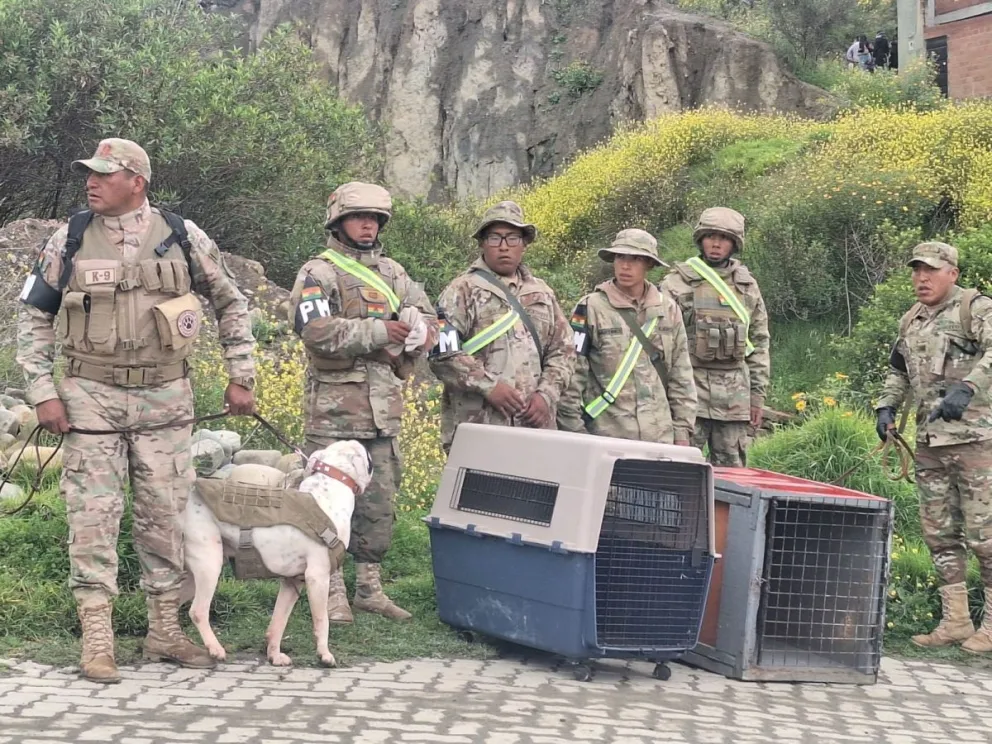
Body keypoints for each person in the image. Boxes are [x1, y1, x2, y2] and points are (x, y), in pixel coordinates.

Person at [16, 138, 257, 683]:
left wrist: (241, 375)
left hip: (165, 397)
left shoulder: (183, 236)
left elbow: (231, 302)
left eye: (104, 174)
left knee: (165, 514)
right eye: (89, 173)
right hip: (90, 395)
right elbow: (33, 316)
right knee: (92, 515)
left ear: (137, 182)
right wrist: (43, 391)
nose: (91, 182)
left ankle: (164, 630)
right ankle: (97, 638)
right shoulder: (69, 237)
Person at [288, 181, 437, 624]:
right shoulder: (318, 272)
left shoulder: (395, 274)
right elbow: (314, 330)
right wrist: (378, 332)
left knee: (379, 506)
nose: (368, 224)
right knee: (325, 505)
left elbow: (430, 318)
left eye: (374, 218)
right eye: (358, 217)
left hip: (383, 413)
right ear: (339, 222)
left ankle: (369, 588)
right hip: (333, 412)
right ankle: (330, 587)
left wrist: (418, 331)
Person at [875, 241, 992, 653]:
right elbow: (898, 370)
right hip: (930, 442)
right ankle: (955, 621)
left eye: (931, 270)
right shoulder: (912, 319)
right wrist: (886, 407)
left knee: (985, 536)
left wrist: (969, 386)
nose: (921, 278)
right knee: (940, 534)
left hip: (977, 441)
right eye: (916, 270)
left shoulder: (975, 309)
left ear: (952, 274)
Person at [429, 201, 574, 449]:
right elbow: (441, 353)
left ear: (524, 244)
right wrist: (489, 386)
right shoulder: (462, 290)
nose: (504, 246)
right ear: (482, 243)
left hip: (535, 429)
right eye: (495, 238)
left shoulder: (543, 293)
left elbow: (564, 349)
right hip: (480, 428)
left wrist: (546, 394)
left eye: (512, 238)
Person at [557, 229, 696, 443]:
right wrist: (575, 431)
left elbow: (681, 373)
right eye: (620, 257)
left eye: (635, 259)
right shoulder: (590, 307)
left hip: (660, 437)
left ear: (649, 264)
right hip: (606, 436)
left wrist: (682, 431)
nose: (625, 265)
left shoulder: (668, 310)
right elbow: (573, 374)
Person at [659, 207, 770, 467]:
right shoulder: (676, 283)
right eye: (710, 236)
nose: (716, 244)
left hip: (734, 399)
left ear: (734, 244)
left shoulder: (747, 286)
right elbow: (660, 343)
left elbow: (759, 343)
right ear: (701, 239)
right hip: (689, 395)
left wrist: (757, 397)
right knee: (680, 469)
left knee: (732, 475)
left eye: (724, 238)